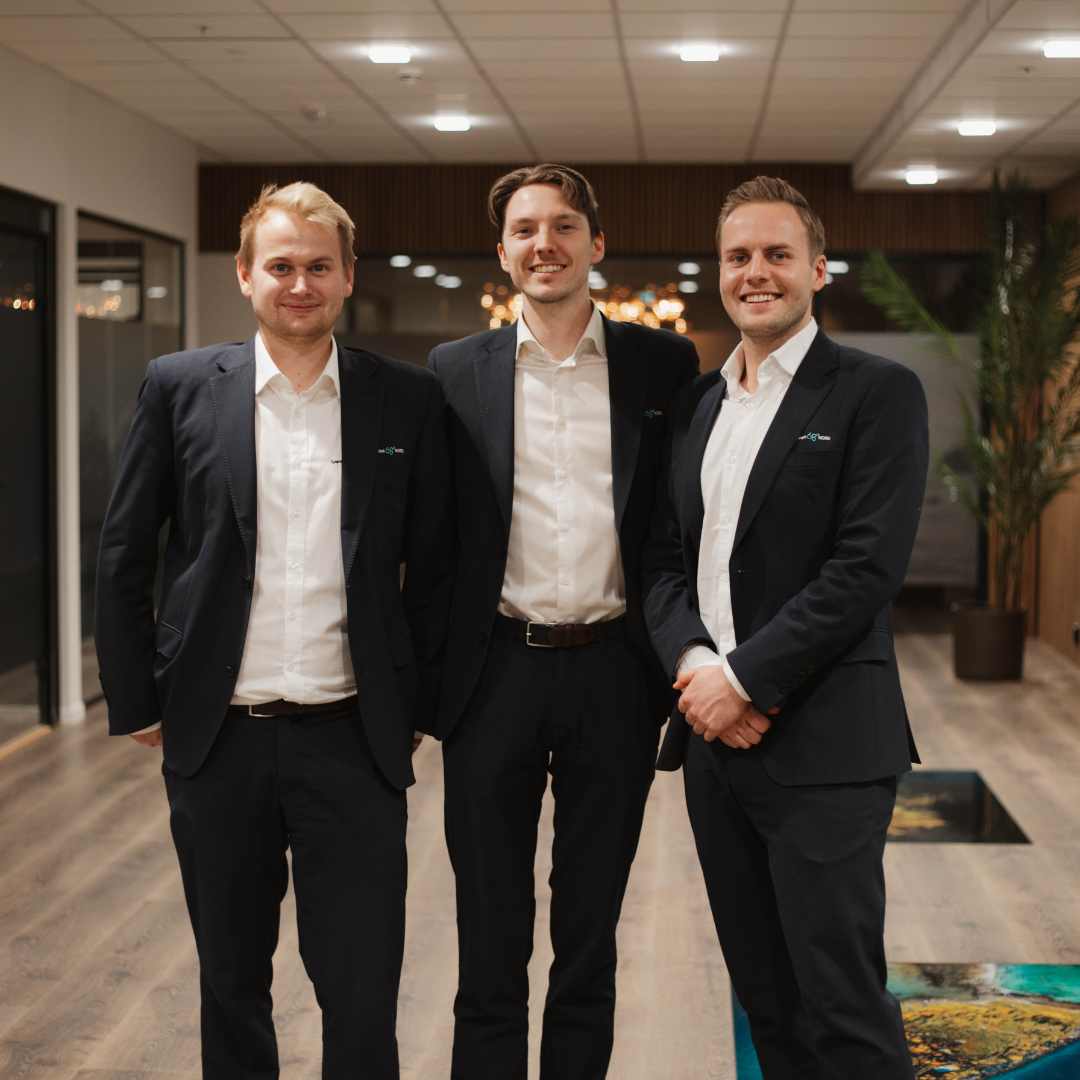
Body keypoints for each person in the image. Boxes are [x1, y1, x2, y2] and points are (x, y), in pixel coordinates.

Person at [95, 181, 452, 1080]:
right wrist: (139, 699)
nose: (300, 284)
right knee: (230, 982)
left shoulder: (404, 399)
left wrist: (415, 705)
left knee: (362, 992)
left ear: (348, 277)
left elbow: (436, 566)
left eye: (319, 267)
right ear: (246, 275)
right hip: (218, 741)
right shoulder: (178, 387)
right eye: (282, 266)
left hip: (354, 739)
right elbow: (126, 550)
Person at [644, 175, 927, 1079]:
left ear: (818, 267)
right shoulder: (700, 404)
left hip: (828, 746)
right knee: (766, 1000)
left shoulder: (877, 392)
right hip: (716, 749)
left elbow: (865, 569)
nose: (755, 272)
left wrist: (742, 680)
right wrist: (698, 666)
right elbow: (663, 562)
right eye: (738, 257)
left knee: (842, 1002)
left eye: (777, 254)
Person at [427, 163, 698, 1080]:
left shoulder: (661, 365)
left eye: (564, 226)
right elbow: (433, 540)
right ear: (503, 253)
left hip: (614, 675)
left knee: (590, 933)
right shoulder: (454, 371)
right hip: (493, 676)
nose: (545, 244)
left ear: (596, 244)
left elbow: (675, 523)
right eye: (525, 229)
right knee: (489, 932)